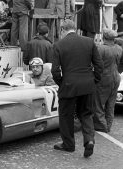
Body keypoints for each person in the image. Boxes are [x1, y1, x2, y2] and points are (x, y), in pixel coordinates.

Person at [51, 19, 103, 158]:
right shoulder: (89, 42)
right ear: (75, 28)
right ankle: (89, 140)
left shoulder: (58, 45)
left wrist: (62, 83)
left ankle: (68, 144)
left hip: (68, 85)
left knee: (66, 115)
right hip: (87, 84)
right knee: (86, 114)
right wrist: (94, 80)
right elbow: (99, 66)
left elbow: (55, 71)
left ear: (62, 30)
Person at [93, 29, 122, 133]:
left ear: (104, 37)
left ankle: (101, 126)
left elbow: (96, 64)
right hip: (116, 77)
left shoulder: (100, 48)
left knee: (99, 103)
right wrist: (118, 71)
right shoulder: (119, 48)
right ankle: (108, 125)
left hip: (104, 78)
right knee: (111, 103)